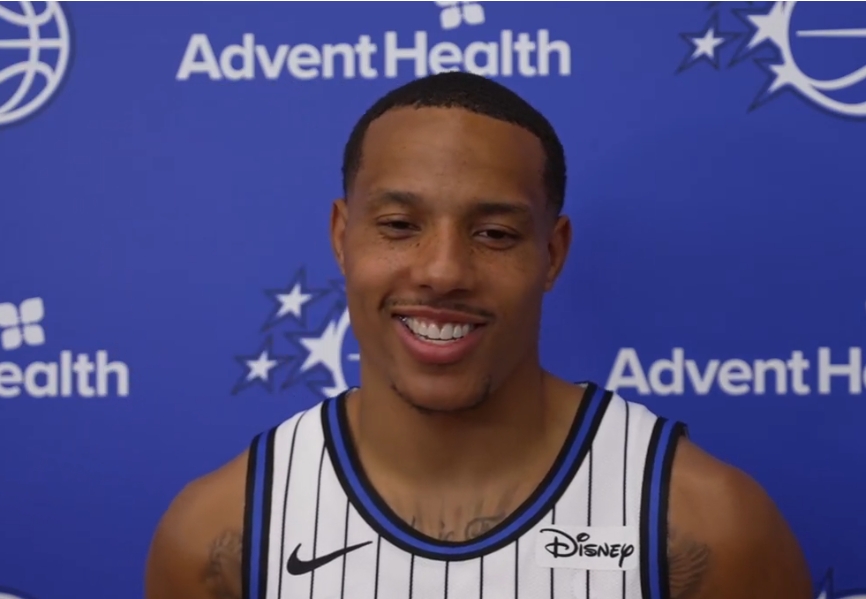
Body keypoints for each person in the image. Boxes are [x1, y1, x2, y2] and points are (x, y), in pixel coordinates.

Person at [144, 71, 812, 599]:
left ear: (552, 254)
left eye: (494, 233)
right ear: (342, 237)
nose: (443, 271)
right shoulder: (219, 536)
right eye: (399, 225)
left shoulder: (707, 527)